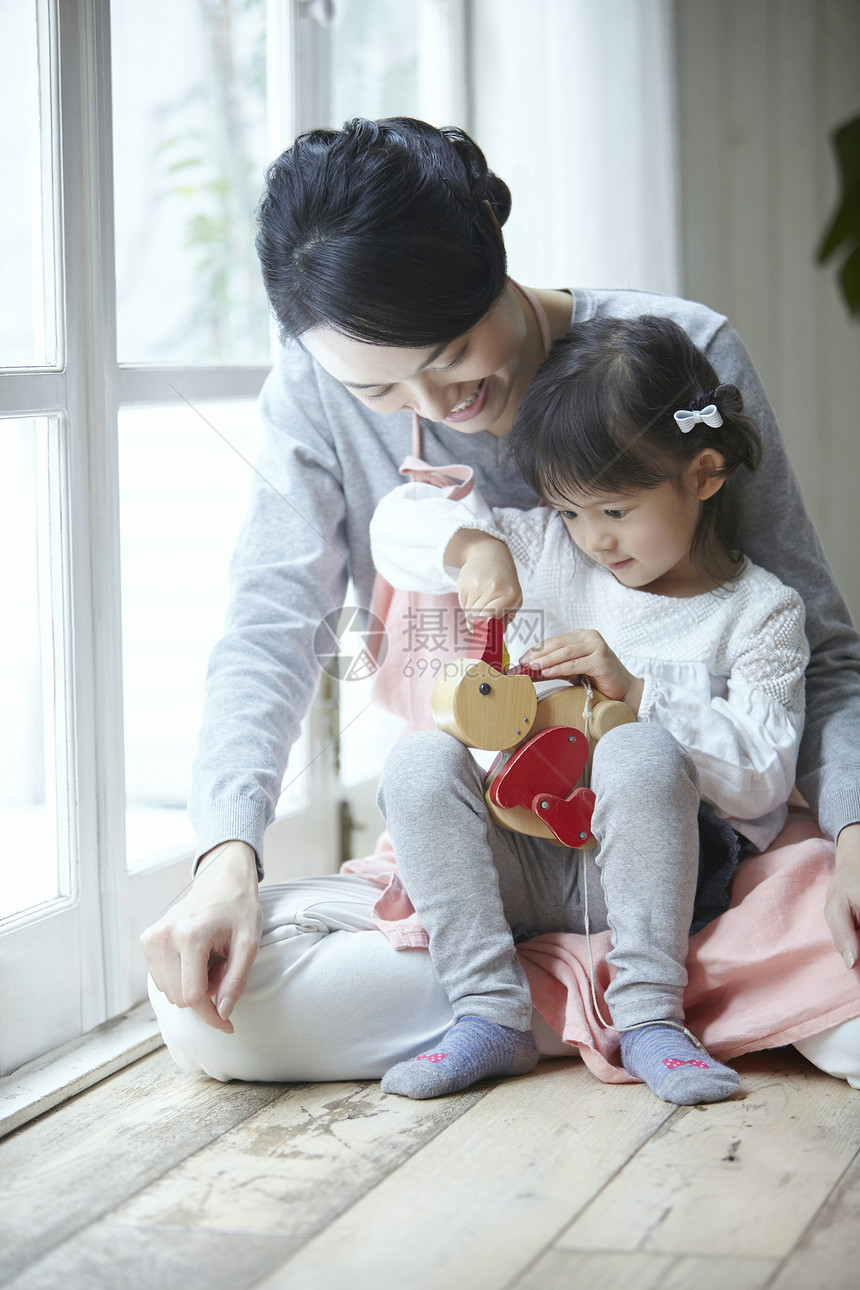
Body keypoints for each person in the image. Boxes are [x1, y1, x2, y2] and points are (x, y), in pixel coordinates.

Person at [142, 117, 860, 1088]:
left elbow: (816, 651)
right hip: (493, 857)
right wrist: (224, 860)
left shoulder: (674, 358)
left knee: (811, 899)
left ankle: (614, 992)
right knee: (205, 1013)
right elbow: (269, 623)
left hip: (687, 839)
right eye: (379, 388)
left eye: (449, 350)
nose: (432, 405)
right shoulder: (316, 392)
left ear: (490, 231)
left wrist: (855, 831)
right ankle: (610, 1001)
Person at [367, 315, 808, 1104]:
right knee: (419, 758)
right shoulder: (548, 551)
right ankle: (488, 1013)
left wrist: (640, 696)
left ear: (703, 473)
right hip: (526, 859)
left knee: (637, 752)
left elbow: (763, 781)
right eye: (570, 511)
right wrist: (476, 548)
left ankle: (649, 1019)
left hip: (653, 874)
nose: (594, 540)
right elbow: (393, 521)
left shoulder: (760, 612)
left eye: (614, 510)